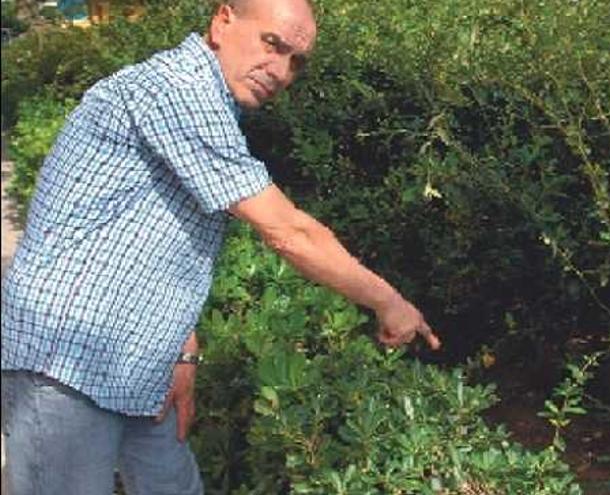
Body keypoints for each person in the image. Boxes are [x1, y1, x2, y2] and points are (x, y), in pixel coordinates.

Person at [0, 0, 441, 493]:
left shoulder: (211, 103)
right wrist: (389, 302)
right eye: (273, 44)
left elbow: (162, 243)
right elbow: (287, 231)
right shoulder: (176, 89)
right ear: (222, 20)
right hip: (68, 359)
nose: (280, 71)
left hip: (135, 363)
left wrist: (182, 353)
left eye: (296, 61)